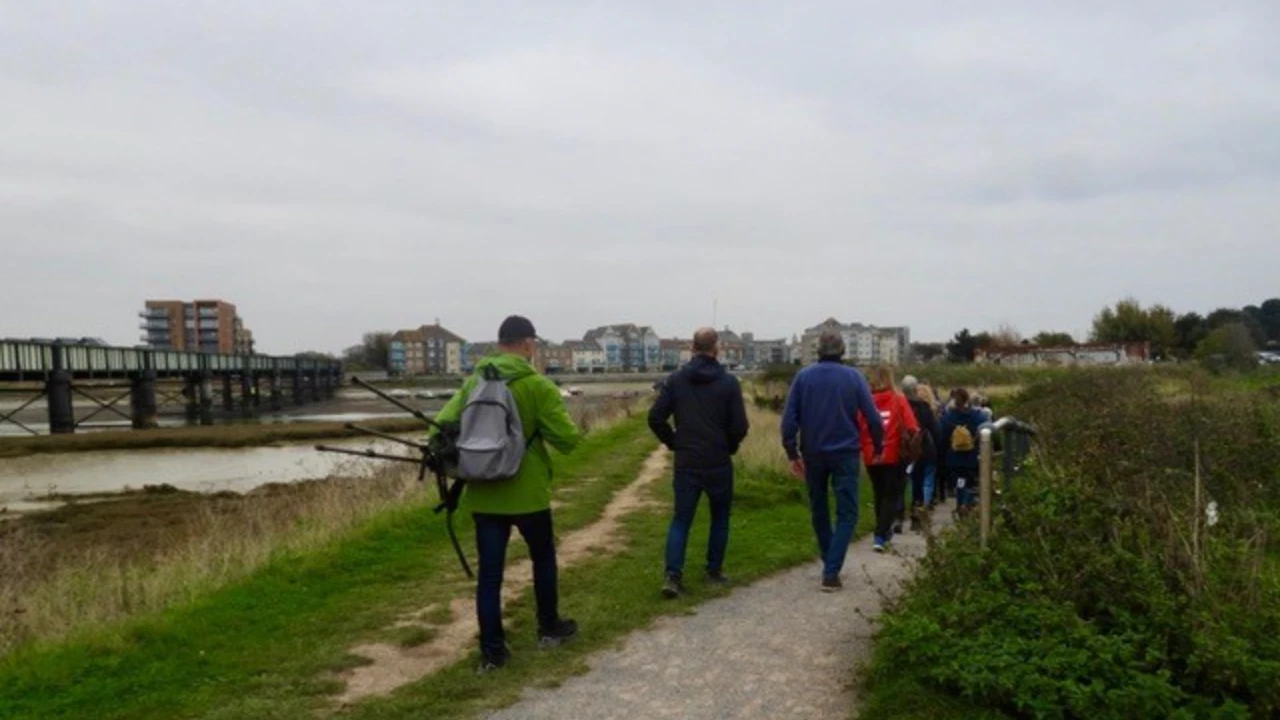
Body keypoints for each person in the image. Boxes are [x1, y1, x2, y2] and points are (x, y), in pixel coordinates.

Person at [435, 315, 583, 673]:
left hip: (484, 492)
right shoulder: (538, 386)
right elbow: (567, 441)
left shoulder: (474, 382)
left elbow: (441, 428)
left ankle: (492, 652)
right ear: (529, 344)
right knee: (543, 559)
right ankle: (549, 628)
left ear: (500, 343)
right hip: (528, 493)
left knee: (490, 574)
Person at [648, 327, 750, 598]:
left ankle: (673, 576)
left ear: (692, 348)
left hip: (688, 458)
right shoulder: (729, 383)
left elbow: (656, 417)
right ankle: (714, 571)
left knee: (681, 519)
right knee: (719, 517)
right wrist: (729, 445)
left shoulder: (677, 380)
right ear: (717, 349)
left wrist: (673, 441)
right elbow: (740, 425)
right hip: (717, 459)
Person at [781, 331, 884, 592]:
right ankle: (831, 570)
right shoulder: (854, 377)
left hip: (813, 452)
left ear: (818, 351)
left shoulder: (803, 377)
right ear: (842, 351)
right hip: (846, 452)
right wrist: (878, 446)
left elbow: (789, 419)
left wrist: (792, 453)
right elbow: (872, 417)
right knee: (848, 513)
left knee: (819, 509)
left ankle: (830, 561)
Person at [858, 365, 920, 552]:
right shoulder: (898, 400)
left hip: (871, 454)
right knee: (892, 495)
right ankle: (881, 533)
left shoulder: (865, 402)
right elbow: (912, 427)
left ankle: (882, 531)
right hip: (893, 454)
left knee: (879, 493)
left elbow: (858, 427)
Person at [901, 375, 942, 528]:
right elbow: (934, 429)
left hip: (902, 449)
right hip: (921, 448)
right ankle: (916, 512)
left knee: (901, 482)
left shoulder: (899, 405)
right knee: (918, 481)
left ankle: (898, 514)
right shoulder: (924, 407)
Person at [940, 387, 986, 517]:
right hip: (971, 457)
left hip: (954, 457)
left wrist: (943, 454)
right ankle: (966, 503)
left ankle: (960, 504)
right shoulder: (977, 416)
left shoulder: (948, 417)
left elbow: (943, 437)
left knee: (959, 482)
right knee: (970, 482)